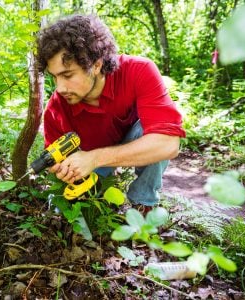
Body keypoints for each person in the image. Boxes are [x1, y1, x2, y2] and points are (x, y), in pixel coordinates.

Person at [35, 14, 186, 211]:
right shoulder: (56, 109)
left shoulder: (138, 71)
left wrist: (96, 158)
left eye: (68, 75)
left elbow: (168, 144)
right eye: (55, 77)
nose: (60, 88)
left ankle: (144, 205)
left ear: (96, 65)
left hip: (114, 148)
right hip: (91, 166)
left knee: (151, 132)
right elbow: (59, 160)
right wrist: (65, 169)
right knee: (71, 211)